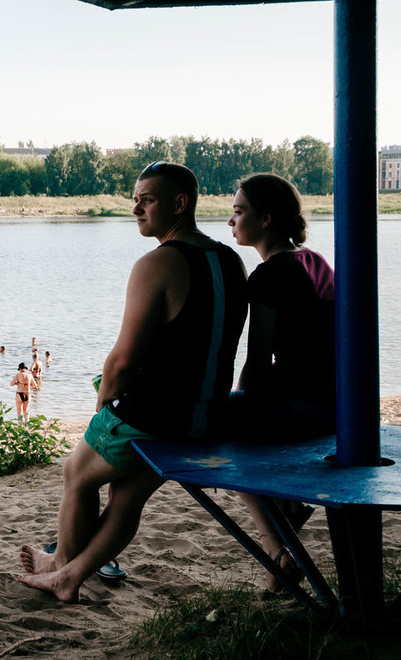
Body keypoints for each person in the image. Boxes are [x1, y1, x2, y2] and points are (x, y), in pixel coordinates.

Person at [18, 162, 248, 602]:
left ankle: (60, 565)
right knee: (125, 496)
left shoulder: (158, 263)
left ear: (180, 204)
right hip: (208, 416)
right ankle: (68, 574)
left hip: (156, 416)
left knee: (76, 474)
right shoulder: (231, 260)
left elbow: (122, 362)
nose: (136, 208)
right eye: (135, 199)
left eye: (147, 199)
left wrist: (103, 407)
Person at [227, 173, 334, 591]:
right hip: (334, 403)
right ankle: (284, 528)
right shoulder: (314, 260)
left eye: (238, 212)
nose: (231, 221)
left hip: (302, 407)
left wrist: (234, 401)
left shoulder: (269, 276)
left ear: (266, 219)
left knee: (219, 432)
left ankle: (276, 545)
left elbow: (255, 360)